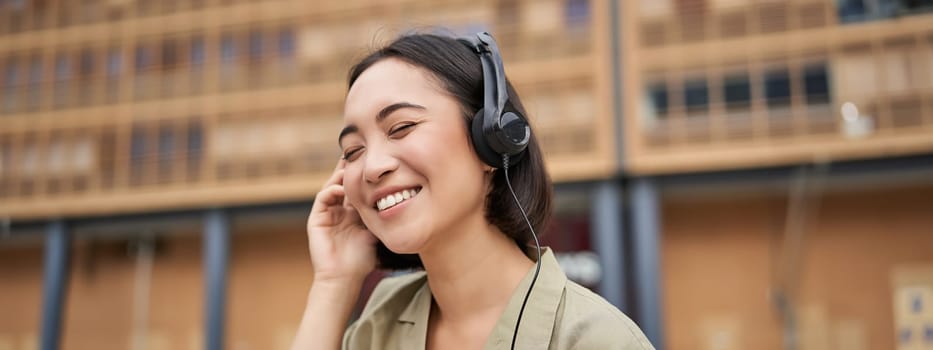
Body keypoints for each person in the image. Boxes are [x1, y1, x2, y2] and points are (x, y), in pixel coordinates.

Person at [291, 31, 654, 350]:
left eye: (401, 127)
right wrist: (333, 283)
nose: (371, 167)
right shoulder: (381, 322)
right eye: (353, 151)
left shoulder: (595, 339)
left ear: (491, 140)